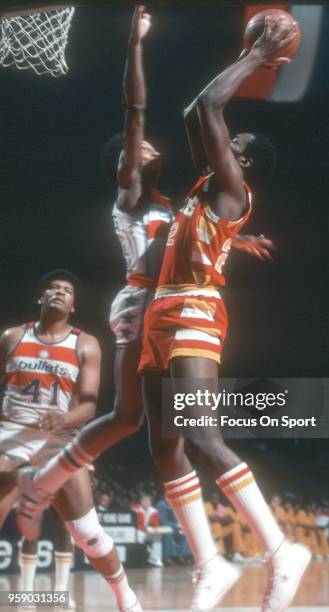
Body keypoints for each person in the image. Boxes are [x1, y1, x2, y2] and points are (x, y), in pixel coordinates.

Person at [136, 14, 310, 612]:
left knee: (203, 436)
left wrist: (258, 56)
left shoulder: (233, 188)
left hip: (194, 313)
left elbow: (210, 105)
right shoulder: (207, 190)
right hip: (161, 313)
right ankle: (211, 564)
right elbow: (195, 114)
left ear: (247, 165)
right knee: (164, 445)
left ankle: (282, 548)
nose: (223, 143)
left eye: (234, 146)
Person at [0, 270, 140, 611]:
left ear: (73, 305)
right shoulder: (11, 336)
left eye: (67, 290)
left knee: (86, 533)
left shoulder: (85, 342)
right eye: (53, 288)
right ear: (41, 298)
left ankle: (126, 598)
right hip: (10, 433)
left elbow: (90, 405)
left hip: (58, 437)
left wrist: (64, 418)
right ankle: (27, 597)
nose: (59, 292)